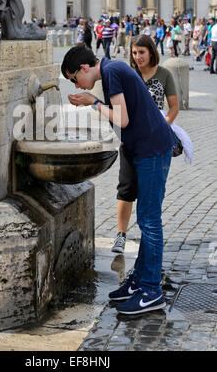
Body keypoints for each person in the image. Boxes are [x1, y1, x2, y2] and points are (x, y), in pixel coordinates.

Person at [61, 44, 176, 315]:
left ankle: (151, 291)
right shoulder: (114, 68)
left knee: (149, 220)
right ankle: (139, 281)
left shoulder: (111, 72)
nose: (78, 86)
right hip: (147, 148)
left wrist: (93, 103)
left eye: (74, 79)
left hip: (152, 150)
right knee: (147, 218)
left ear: (84, 68)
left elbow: (122, 119)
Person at [112, 34, 179, 256]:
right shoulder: (130, 75)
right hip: (131, 140)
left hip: (154, 142)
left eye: (142, 52)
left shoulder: (164, 74)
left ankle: (148, 237)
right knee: (126, 188)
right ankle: (121, 235)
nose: (138, 57)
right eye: (134, 52)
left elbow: (173, 108)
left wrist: (162, 125)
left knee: (151, 193)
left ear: (151, 51)